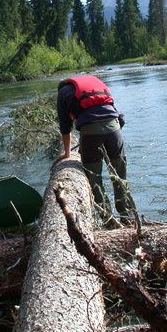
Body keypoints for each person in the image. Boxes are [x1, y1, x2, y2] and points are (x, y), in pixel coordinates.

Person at [54, 74, 135, 226]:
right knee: (119, 175)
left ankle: (109, 221)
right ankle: (127, 217)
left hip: (91, 132)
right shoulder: (95, 84)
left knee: (94, 177)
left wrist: (67, 153)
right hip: (114, 128)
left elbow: (65, 125)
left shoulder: (63, 93)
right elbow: (114, 112)